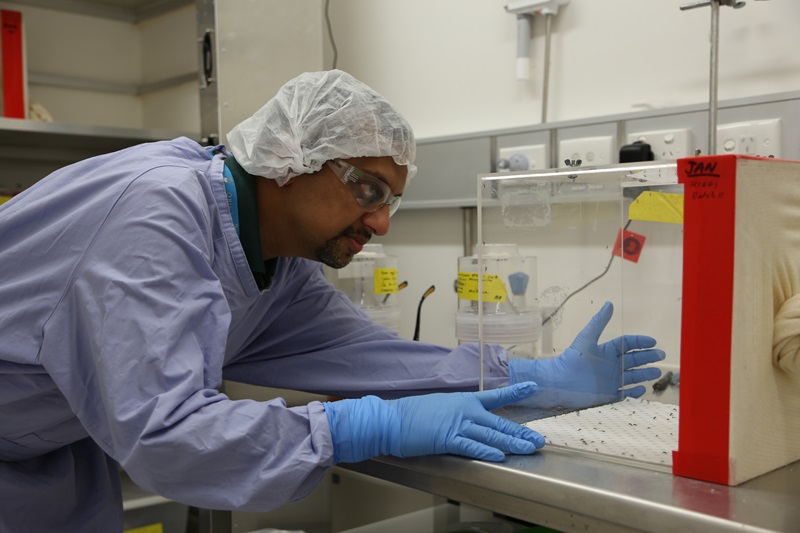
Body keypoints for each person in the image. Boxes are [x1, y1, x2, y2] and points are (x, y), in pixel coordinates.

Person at [0, 69, 664, 531]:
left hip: (47, 452)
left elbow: (370, 358)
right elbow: (170, 435)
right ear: (287, 156)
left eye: (392, 201)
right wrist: (354, 427)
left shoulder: (273, 263)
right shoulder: (155, 220)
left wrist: (531, 378)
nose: (382, 224)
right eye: (367, 190)